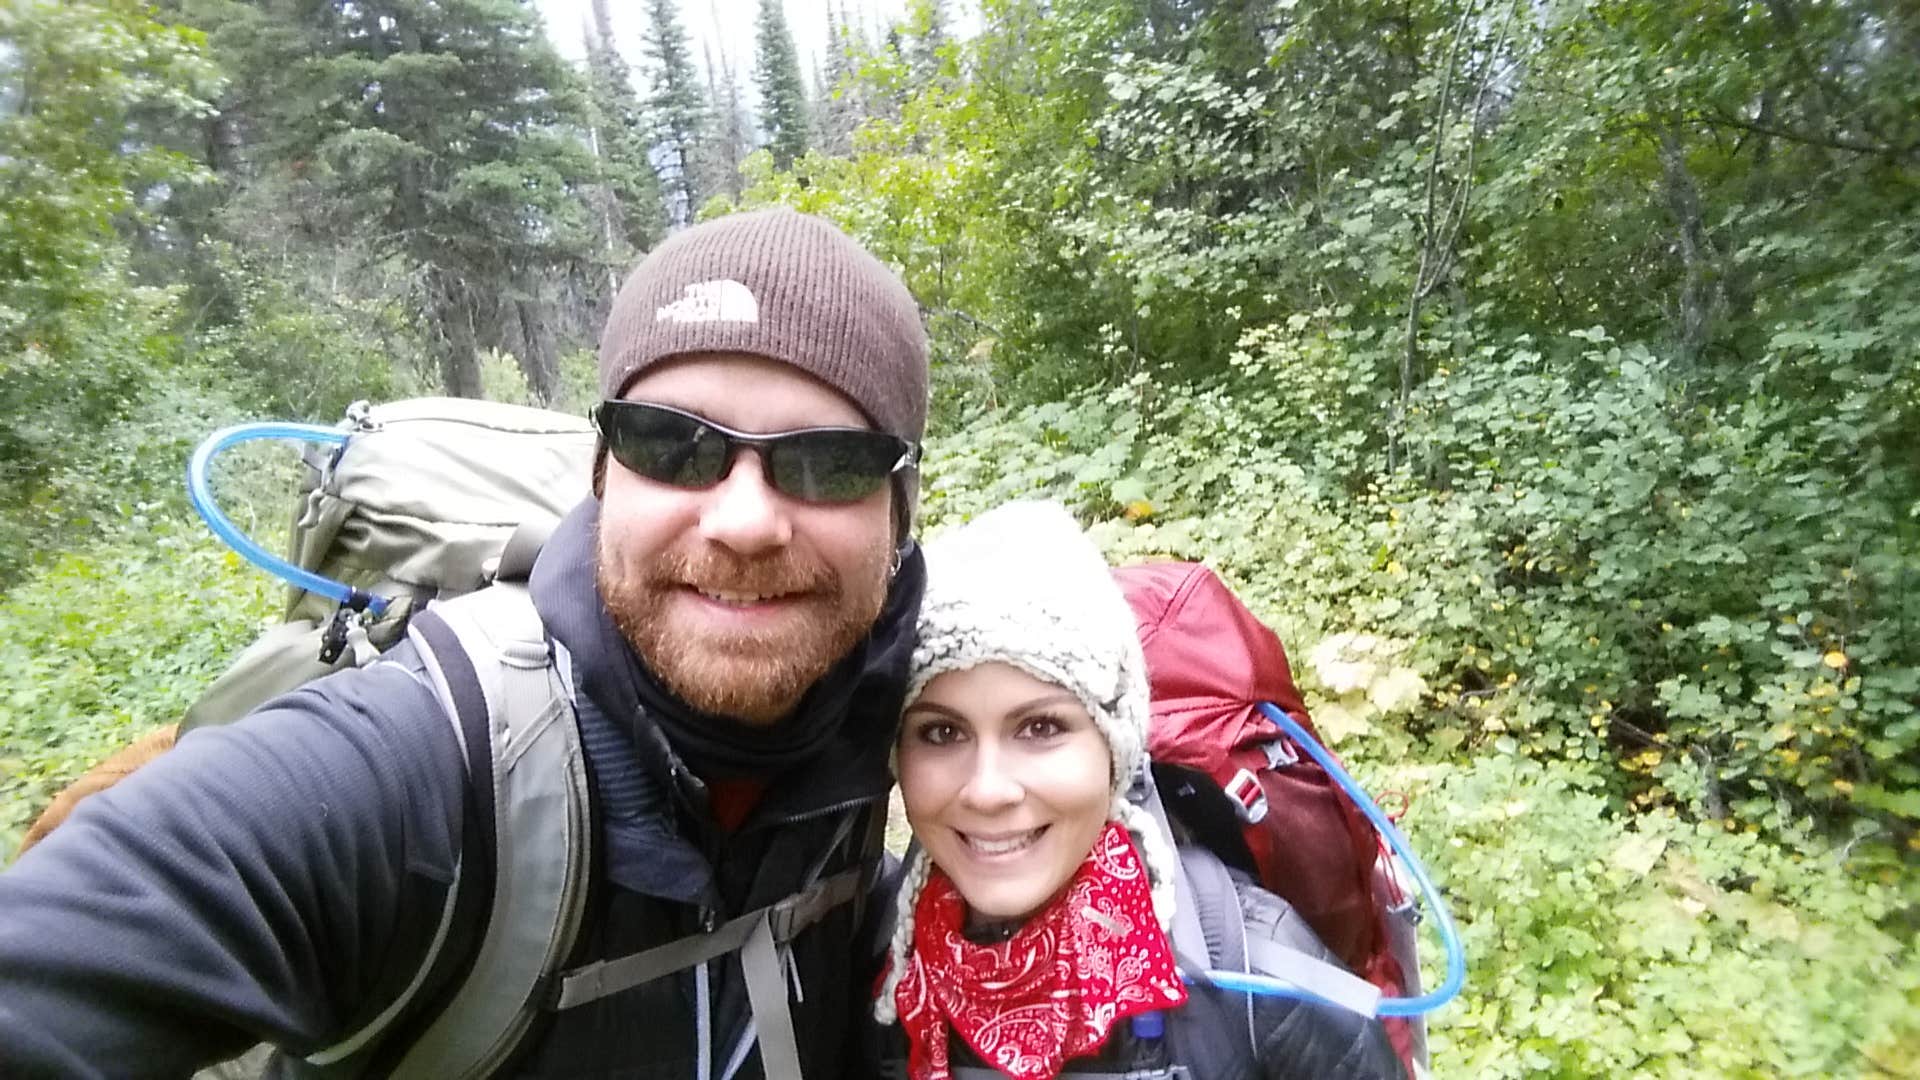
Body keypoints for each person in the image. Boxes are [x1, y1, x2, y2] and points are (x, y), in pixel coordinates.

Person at [0, 208, 929, 1077]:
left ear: (899, 512)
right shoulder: (413, 766)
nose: (744, 522)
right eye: (672, 443)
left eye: (827, 461)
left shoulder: (908, 720)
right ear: (604, 474)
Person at [869, 501, 1406, 1080]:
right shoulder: (881, 958)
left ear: (1114, 748)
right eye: (941, 732)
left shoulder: (1252, 966)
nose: (989, 790)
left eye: (1041, 727)